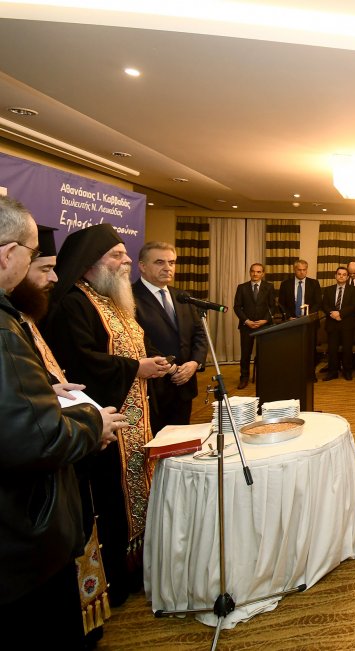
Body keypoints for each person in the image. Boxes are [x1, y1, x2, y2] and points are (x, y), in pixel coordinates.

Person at [0, 197, 126, 646]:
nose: (49, 277)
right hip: (23, 524)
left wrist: (41, 391)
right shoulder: (6, 327)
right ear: (8, 255)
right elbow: (35, 438)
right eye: (36, 259)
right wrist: (94, 424)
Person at [43, 224, 171, 606]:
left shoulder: (115, 301)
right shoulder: (74, 303)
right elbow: (82, 361)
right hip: (103, 426)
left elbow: (136, 347)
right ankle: (115, 576)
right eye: (117, 255)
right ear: (89, 264)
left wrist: (154, 363)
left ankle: (138, 567)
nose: (126, 261)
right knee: (110, 502)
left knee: (139, 489)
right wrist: (135, 369)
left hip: (137, 418)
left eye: (125, 254)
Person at [133, 241, 208, 433]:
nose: (168, 268)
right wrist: (171, 368)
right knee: (157, 441)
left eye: (172, 262)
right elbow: (137, 340)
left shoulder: (183, 296)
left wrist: (194, 363)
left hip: (185, 385)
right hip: (153, 387)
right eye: (160, 262)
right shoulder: (129, 297)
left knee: (181, 438)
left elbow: (199, 334)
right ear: (142, 266)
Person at [232, 263, 278, 389]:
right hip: (247, 326)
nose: (255, 274)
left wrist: (265, 320)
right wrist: (246, 320)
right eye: (253, 271)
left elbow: (272, 306)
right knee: (245, 354)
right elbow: (237, 307)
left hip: (264, 325)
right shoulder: (242, 287)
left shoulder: (269, 287)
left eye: (258, 272)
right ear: (249, 272)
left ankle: (264, 377)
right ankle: (244, 378)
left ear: (263, 273)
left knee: (265, 354)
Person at [321, 266, 355, 381]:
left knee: (347, 349)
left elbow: (354, 305)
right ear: (335, 276)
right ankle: (332, 372)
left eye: (344, 274)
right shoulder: (328, 290)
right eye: (339, 274)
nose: (341, 276)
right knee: (332, 350)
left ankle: (347, 372)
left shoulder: (354, 290)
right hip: (332, 324)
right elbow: (324, 305)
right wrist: (332, 313)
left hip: (347, 324)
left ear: (347, 277)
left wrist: (340, 313)